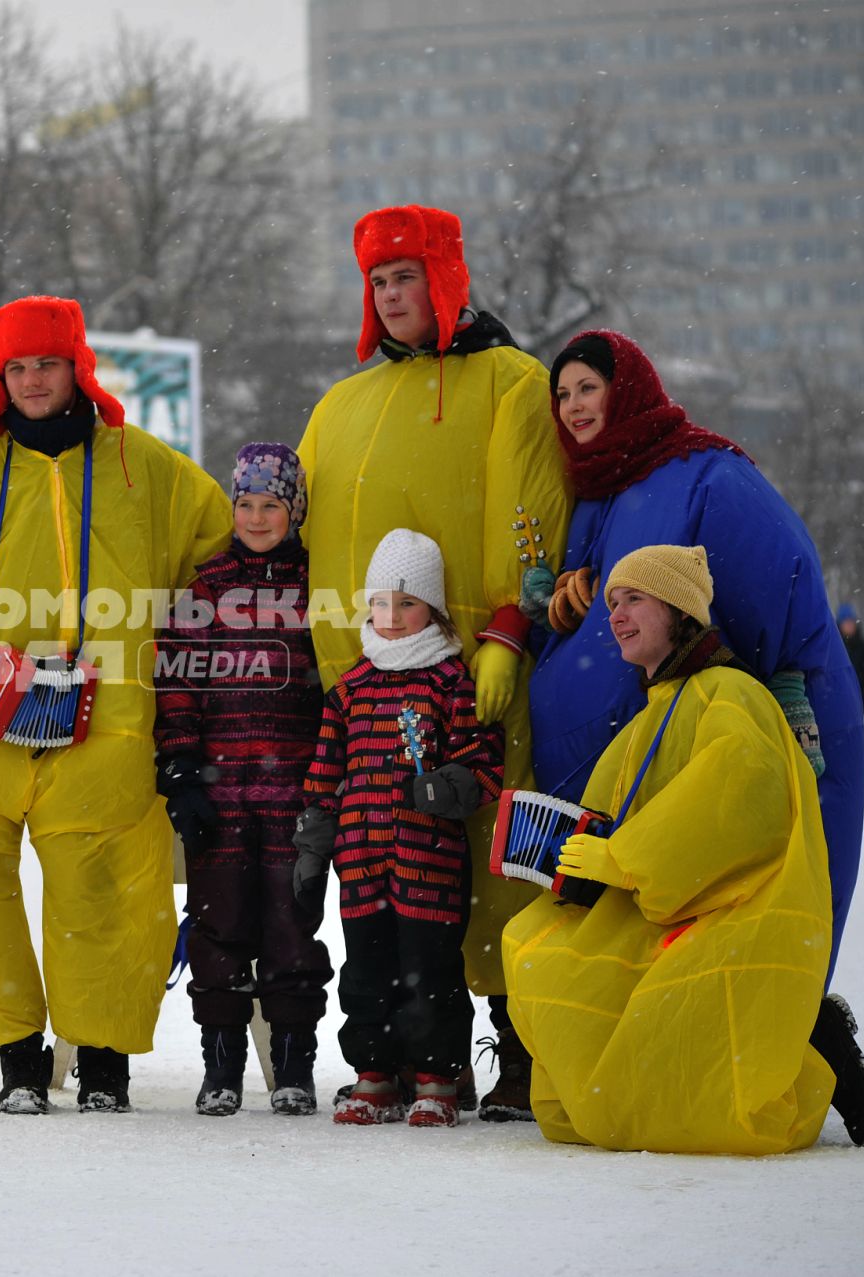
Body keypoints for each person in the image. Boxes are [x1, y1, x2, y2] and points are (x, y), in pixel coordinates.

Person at [0, 295, 231, 1114]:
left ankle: (102, 1063)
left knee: (109, 888)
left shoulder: (145, 468)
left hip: (107, 721)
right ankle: (18, 1058)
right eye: (14, 367)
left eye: (45, 364)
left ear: (77, 368)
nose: (30, 381)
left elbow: (222, 555)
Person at [295, 204, 571, 1122]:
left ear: (445, 279)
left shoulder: (511, 381)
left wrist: (507, 629)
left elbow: (529, 517)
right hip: (367, 694)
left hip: (479, 683)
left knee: (497, 871)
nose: (391, 295)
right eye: (378, 281)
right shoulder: (340, 405)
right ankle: (401, 1061)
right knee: (380, 908)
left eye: (406, 276)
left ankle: (519, 1046)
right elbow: (300, 530)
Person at [504, 544, 864, 1154]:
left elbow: (740, 797)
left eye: (635, 600)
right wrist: (574, 861)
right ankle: (796, 1030)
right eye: (612, 603)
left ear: (679, 611)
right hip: (663, 902)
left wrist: (624, 860)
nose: (617, 616)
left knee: (695, 1106)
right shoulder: (652, 711)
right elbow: (620, 815)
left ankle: (810, 1041)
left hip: (726, 907)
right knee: (535, 950)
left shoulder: (727, 692)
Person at [529, 329, 864, 978]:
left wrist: (738, 697)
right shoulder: (595, 492)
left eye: (589, 388)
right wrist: (559, 606)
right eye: (563, 394)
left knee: (744, 943)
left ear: (626, 388)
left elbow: (776, 586)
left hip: (723, 749)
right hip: (632, 776)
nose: (573, 406)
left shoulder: (708, 474)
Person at [293, 529, 503, 1128]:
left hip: (428, 863)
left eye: (406, 604)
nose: (391, 617)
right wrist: (313, 841)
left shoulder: (450, 682)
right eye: (381, 603)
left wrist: (449, 786)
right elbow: (324, 774)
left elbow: (485, 761)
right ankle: (375, 1074)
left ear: (431, 609)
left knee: (431, 976)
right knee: (364, 972)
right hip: (361, 864)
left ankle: (437, 1077)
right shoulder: (351, 689)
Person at [153, 442, 332, 1117]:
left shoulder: (317, 587)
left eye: (272, 505)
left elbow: (333, 685)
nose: (257, 517)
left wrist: (327, 777)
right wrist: (180, 769)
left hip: (292, 788)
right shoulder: (207, 588)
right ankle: (220, 1062)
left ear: (295, 511)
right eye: (246, 504)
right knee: (217, 923)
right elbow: (177, 684)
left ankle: (294, 1062)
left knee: (293, 924)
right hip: (220, 789)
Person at [836, 603, 864, 715]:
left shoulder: (862, 646)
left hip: (858, 694)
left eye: (851, 622)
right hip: (839, 694)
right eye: (845, 622)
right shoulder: (834, 646)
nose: (849, 625)